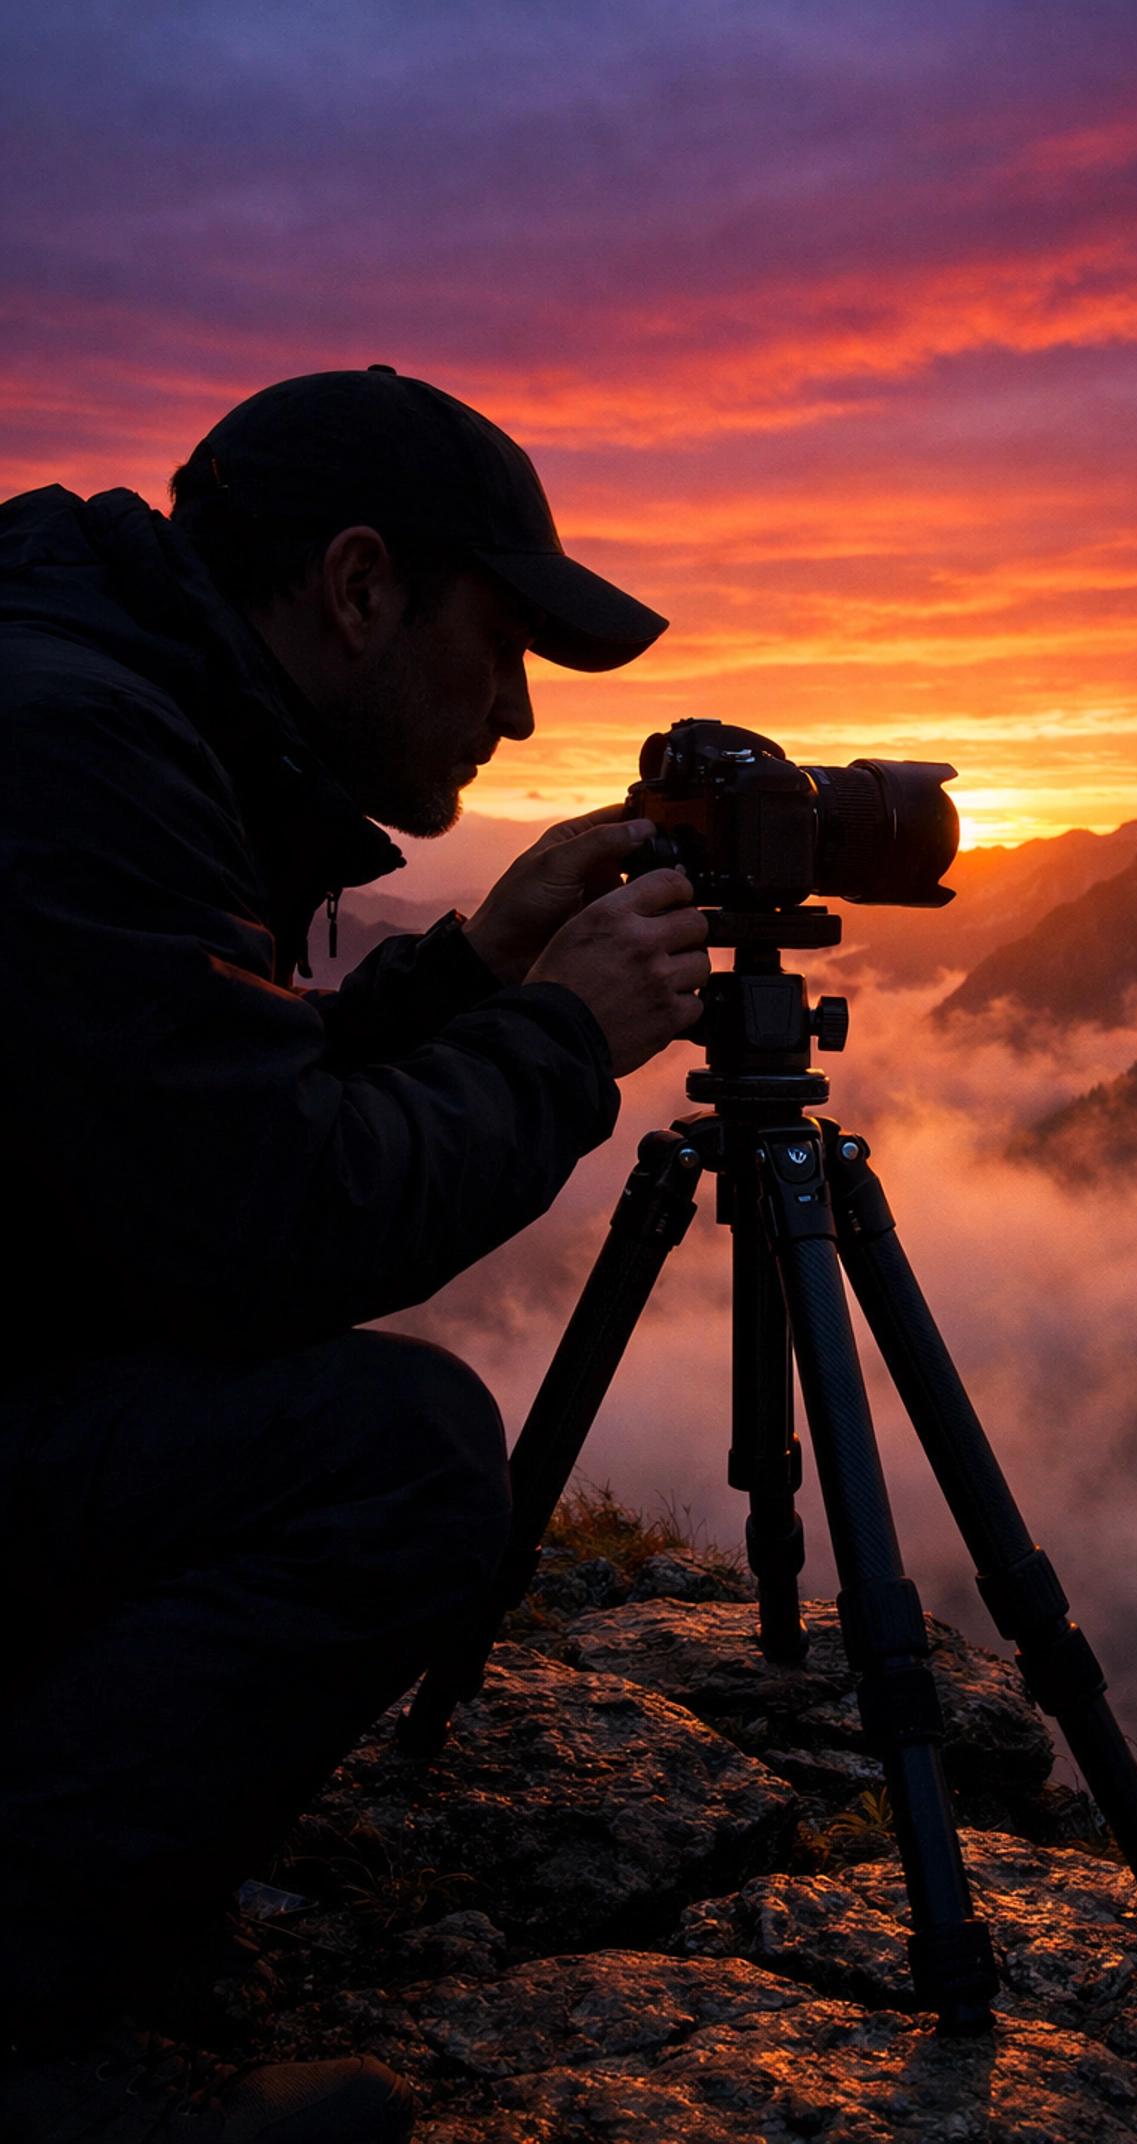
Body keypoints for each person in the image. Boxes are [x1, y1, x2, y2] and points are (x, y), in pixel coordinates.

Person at [0, 367, 710, 2139]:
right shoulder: (69, 745)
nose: (524, 715)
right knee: (390, 1459)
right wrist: (560, 1044)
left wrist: (474, 971)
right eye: (502, 644)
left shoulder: (114, 698)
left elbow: (173, 1116)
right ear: (361, 586)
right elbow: (256, 1229)